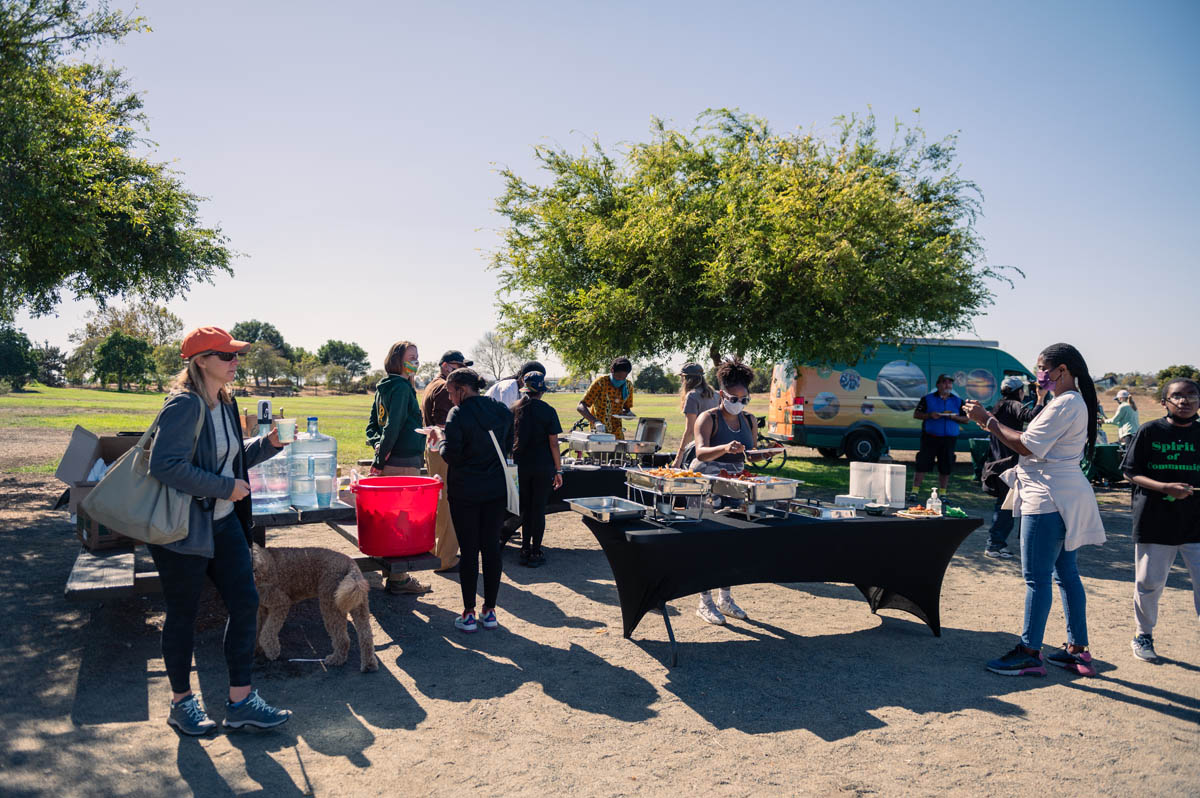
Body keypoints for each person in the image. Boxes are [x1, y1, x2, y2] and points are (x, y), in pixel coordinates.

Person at [147, 326, 292, 735]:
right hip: (182, 530)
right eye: (226, 356)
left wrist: (269, 444)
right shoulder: (183, 406)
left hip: (224, 522)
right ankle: (181, 703)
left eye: (236, 355)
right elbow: (166, 466)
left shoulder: (226, 403)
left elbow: (228, 458)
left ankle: (241, 701)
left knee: (246, 603)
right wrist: (224, 487)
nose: (235, 362)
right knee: (182, 615)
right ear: (201, 362)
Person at [964, 343, 1106, 678]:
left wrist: (988, 421)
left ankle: (1029, 652)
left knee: (1036, 578)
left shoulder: (1066, 404)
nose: (1037, 373)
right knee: (1064, 574)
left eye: (1042, 367)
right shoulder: (1070, 402)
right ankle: (1077, 650)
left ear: (1062, 370)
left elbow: (1027, 444)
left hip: (1048, 499)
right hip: (1060, 495)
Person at [1119, 378, 1200, 662]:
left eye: (1192, 395)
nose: (1185, 401)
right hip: (1156, 519)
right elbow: (1130, 472)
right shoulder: (1150, 431)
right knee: (1149, 582)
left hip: (1197, 523)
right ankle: (1143, 634)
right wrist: (1165, 488)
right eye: (1177, 396)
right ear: (1164, 402)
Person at [428, 368, 514, 633]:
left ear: (462, 390)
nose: (451, 399)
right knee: (491, 549)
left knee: (468, 551)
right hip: (496, 490)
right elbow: (508, 445)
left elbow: (451, 455)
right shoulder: (501, 410)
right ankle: (490, 611)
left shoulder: (459, 413)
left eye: (452, 392)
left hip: (465, 491)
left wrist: (440, 439)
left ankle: (468, 613)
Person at [689, 360, 774, 625]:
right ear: (721, 395)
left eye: (744, 399)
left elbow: (749, 454)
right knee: (705, 544)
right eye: (733, 398)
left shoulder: (749, 419)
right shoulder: (709, 417)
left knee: (731, 543)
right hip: (705, 484)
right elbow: (700, 451)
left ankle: (724, 598)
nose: (739, 403)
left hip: (735, 484)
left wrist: (764, 455)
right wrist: (725, 447)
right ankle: (704, 602)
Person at [365, 341, 431, 595]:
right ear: (397, 359)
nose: (416, 361)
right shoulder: (402, 388)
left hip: (394, 458)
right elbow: (390, 427)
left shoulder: (385, 386)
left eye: (417, 357)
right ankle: (400, 579)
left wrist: (379, 448)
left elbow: (373, 428)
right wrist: (381, 458)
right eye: (411, 357)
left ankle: (393, 575)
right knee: (402, 520)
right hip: (403, 463)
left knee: (391, 518)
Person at [981, 376, 1046, 558]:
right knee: (1006, 506)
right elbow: (1032, 417)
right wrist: (1040, 399)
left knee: (1006, 505)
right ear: (1019, 391)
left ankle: (997, 543)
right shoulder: (1013, 405)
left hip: (996, 463)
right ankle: (994, 545)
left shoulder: (998, 406)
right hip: (1007, 464)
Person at [423, 350, 472, 573]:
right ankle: (446, 557)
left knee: (440, 502)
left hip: (434, 448)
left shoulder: (434, 384)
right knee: (449, 503)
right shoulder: (445, 387)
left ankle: (438, 550)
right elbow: (445, 424)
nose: (460, 369)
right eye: (456, 365)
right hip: (443, 448)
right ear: (444, 365)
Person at [511, 371, 563, 567]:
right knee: (538, 509)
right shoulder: (548, 410)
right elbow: (554, 444)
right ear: (541, 391)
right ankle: (536, 550)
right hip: (543, 466)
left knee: (525, 508)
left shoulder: (514, 408)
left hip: (520, 465)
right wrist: (559, 470)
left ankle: (524, 548)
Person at [912, 374, 968, 497]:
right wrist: (929, 415)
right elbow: (916, 414)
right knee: (922, 464)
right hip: (930, 437)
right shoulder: (927, 399)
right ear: (938, 385)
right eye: (944, 382)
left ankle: (942, 493)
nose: (947, 385)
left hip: (949, 439)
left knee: (946, 466)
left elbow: (966, 419)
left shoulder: (957, 400)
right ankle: (914, 492)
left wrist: (954, 417)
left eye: (949, 383)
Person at [673, 363, 719, 468]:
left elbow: (690, 431)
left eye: (682, 378)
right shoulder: (716, 395)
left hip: (700, 450)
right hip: (717, 448)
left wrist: (678, 459)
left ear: (687, 379)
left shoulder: (692, 396)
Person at [577, 357, 635, 440]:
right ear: (612, 370)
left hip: (617, 432)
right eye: (618, 376)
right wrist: (595, 421)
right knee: (599, 452)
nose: (620, 379)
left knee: (619, 452)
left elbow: (627, 408)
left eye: (624, 377)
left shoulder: (628, 386)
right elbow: (581, 406)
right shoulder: (600, 383)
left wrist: (629, 414)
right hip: (599, 431)